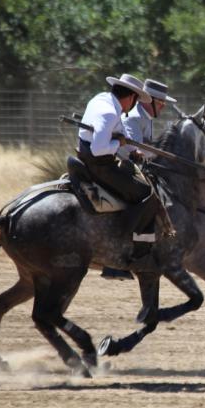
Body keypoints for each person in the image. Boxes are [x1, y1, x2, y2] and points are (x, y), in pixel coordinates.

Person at [77, 73, 164, 278]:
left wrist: (131, 151)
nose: (134, 106)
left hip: (97, 158)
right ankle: (118, 255)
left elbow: (118, 135)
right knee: (146, 193)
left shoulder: (102, 100)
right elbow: (100, 149)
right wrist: (119, 144)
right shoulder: (109, 113)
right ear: (131, 97)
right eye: (136, 101)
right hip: (98, 164)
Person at [118, 78, 177, 162]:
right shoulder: (134, 117)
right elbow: (136, 151)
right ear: (147, 100)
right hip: (125, 165)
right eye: (160, 102)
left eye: (164, 103)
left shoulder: (146, 116)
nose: (163, 106)